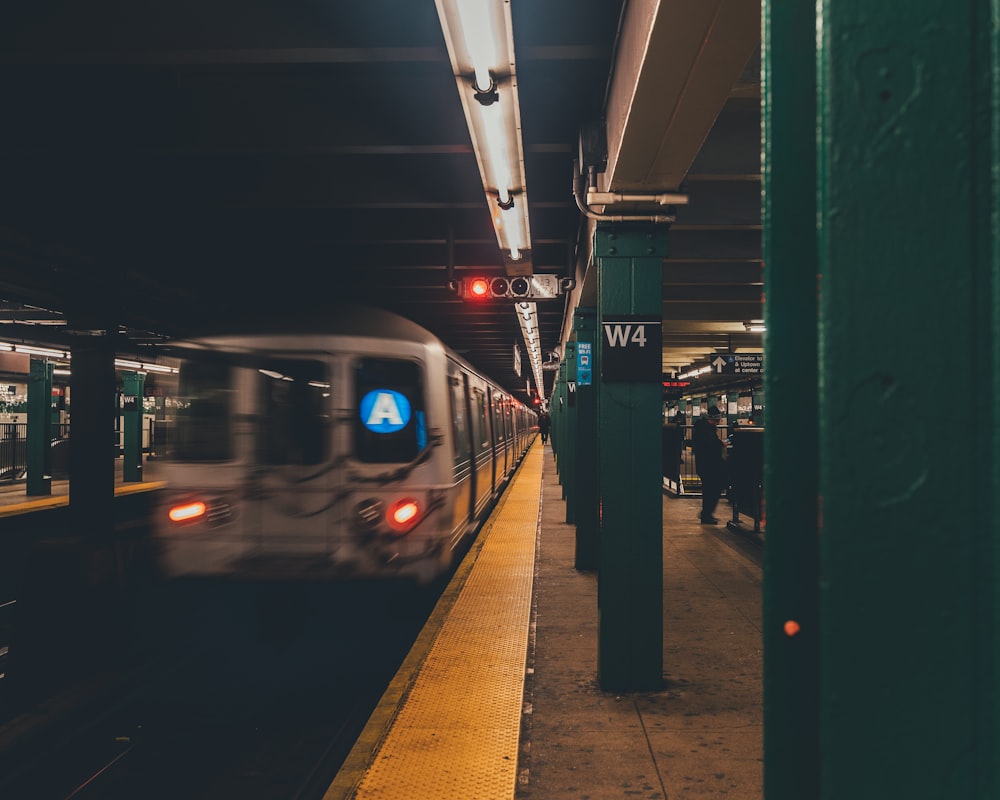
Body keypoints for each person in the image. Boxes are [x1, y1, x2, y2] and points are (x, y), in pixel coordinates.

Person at [691, 405, 727, 524]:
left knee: (710, 490)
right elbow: (709, 446)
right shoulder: (705, 430)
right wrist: (720, 443)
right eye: (716, 421)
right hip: (709, 466)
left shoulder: (703, 429)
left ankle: (706, 513)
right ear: (710, 419)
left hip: (705, 465)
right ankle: (706, 514)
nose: (717, 423)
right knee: (712, 490)